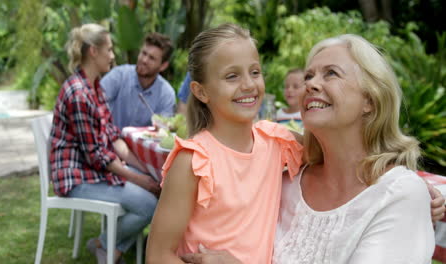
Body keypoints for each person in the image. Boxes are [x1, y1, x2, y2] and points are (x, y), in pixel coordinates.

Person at [181, 34, 443, 264]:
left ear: (370, 101)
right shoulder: (283, 182)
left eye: (331, 73)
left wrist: (414, 192)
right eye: (309, 76)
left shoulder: (398, 194)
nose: (311, 84)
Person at [145, 23, 304, 264]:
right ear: (200, 92)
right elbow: (158, 256)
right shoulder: (193, 161)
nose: (249, 85)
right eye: (232, 76)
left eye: (255, 72)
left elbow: (333, 149)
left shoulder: (277, 141)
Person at [49, 23, 160, 264]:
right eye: (109, 50)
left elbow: (111, 135)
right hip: (76, 177)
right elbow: (97, 156)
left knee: (153, 194)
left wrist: (142, 169)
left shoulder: (95, 87)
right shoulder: (79, 94)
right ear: (93, 52)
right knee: (149, 205)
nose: (112, 56)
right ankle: (106, 245)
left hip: (93, 170)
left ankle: (105, 246)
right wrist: (142, 180)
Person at [101, 32, 176, 129]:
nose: (144, 60)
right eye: (144, 53)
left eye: (151, 58)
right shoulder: (119, 75)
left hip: (144, 143)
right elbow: (95, 103)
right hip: (111, 139)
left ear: (163, 66)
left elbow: (164, 131)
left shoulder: (166, 94)